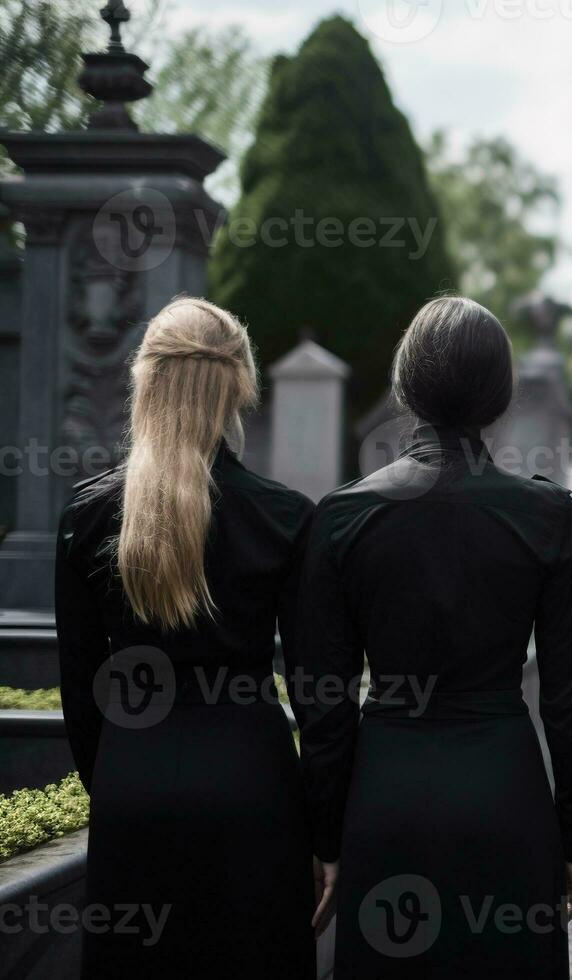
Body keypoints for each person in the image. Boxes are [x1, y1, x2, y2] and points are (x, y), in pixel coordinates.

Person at [296, 296, 572, 978]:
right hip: (505, 791)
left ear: (405, 388)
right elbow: (567, 696)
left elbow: (325, 701)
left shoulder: (342, 518)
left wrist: (327, 834)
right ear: (500, 395)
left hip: (385, 793)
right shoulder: (547, 515)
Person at [56, 297, 315, 979]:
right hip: (252, 784)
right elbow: (320, 693)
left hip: (131, 780)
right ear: (240, 387)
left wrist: (116, 777)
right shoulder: (286, 518)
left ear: (146, 379)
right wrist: (327, 829)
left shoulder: (86, 516)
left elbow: (81, 694)